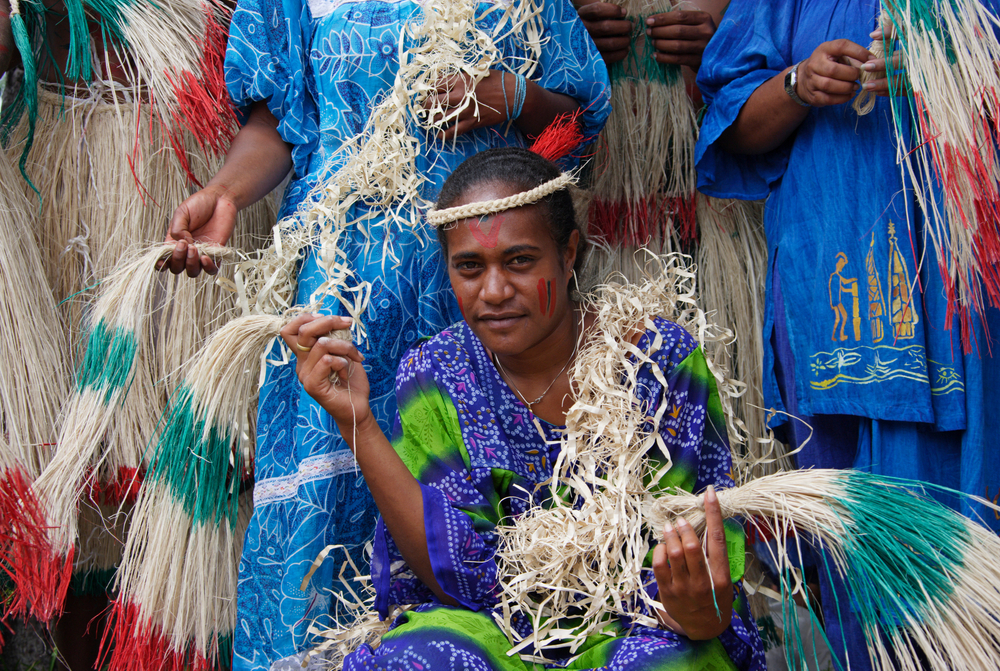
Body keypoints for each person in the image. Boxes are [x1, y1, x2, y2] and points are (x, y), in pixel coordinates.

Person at [161, 3, 612, 668]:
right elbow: (280, 123)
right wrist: (227, 193)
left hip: (487, 287)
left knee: (484, 519)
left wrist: (511, 96)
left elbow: (580, 123)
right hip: (348, 291)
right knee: (332, 505)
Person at [278, 147, 765, 671]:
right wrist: (359, 423)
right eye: (469, 266)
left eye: (519, 261)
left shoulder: (654, 359)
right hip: (493, 627)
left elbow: (700, 555)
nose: (494, 291)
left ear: (569, 252)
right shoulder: (436, 374)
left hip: (640, 623)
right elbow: (450, 566)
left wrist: (697, 613)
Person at [694, 1, 1000, 668]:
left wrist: (954, 66)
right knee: (848, 528)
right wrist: (800, 84)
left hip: (962, 297)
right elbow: (733, 117)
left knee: (970, 500)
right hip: (830, 283)